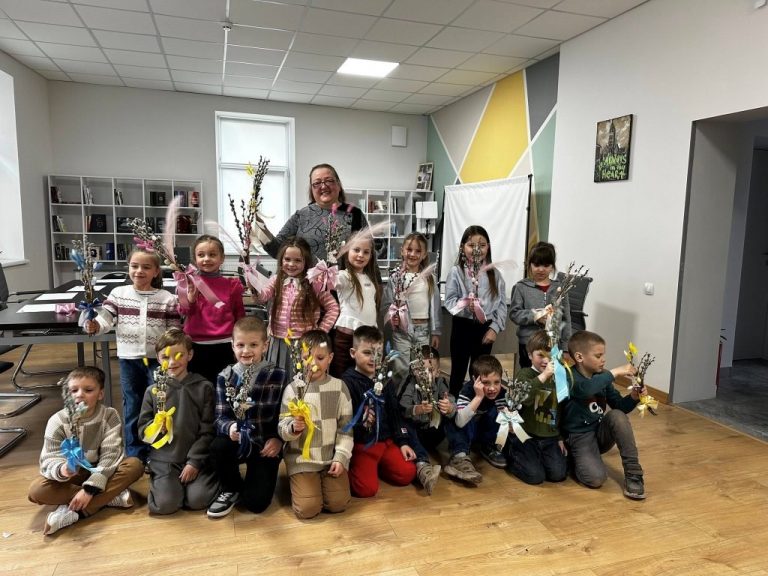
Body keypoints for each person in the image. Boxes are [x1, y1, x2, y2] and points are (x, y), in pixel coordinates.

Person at [85, 248, 181, 464]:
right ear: (128, 268)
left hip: (158, 362)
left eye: (146, 267)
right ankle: (135, 454)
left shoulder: (167, 298)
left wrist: (171, 357)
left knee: (159, 403)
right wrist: (95, 326)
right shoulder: (119, 294)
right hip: (129, 360)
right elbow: (105, 319)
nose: (139, 271)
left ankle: (159, 449)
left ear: (156, 272)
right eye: (134, 266)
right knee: (132, 404)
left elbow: (174, 331)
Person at [28, 367, 143, 535]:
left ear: (100, 394)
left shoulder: (109, 415)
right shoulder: (57, 421)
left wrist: (89, 490)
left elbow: (111, 455)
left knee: (135, 465)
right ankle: (108, 497)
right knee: (37, 491)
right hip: (72, 477)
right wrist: (63, 469)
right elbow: (48, 459)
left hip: (100, 472)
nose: (79, 395)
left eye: (88, 390)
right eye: (73, 390)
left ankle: (73, 511)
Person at [207, 316, 286, 518]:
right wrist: (230, 427)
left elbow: (284, 414)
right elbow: (219, 418)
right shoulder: (225, 377)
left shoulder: (279, 375)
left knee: (256, 504)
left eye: (253, 345)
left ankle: (256, 480)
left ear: (265, 346)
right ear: (232, 345)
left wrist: (279, 439)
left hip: (264, 444)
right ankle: (231, 487)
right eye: (240, 345)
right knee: (217, 446)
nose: (246, 351)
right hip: (237, 441)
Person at [138, 328, 219, 514]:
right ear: (158, 359)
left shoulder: (204, 387)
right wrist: (155, 427)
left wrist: (194, 462)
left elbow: (208, 430)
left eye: (179, 355)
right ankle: (163, 482)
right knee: (166, 505)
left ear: (190, 355)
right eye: (166, 357)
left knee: (198, 500)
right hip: (164, 460)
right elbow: (143, 431)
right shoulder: (152, 392)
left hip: (197, 458)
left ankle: (206, 481)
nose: (173, 362)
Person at [278, 330, 354, 519]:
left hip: (330, 459)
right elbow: (282, 426)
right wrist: (292, 428)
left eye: (320, 358)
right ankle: (303, 482)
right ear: (300, 359)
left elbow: (346, 428)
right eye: (307, 358)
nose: (313, 363)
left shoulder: (340, 387)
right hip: (303, 461)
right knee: (307, 509)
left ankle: (319, 484)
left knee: (339, 504)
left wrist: (341, 457)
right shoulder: (293, 389)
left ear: (330, 358)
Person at [561, 330, 646, 500]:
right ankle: (575, 460)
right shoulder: (567, 376)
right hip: (579, 437)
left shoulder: (602, 376)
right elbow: (585, 389)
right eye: (598, 356)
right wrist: (614, 373)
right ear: (579, 357)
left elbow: (619, 406)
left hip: (599, 432)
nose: (603, 359)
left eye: (603, 355)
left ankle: (633, 473)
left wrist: (634, 397)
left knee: (617, 416)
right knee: (596, 479)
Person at [342, 326, 417, 498]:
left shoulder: (386, 380)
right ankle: (360, 467)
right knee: (365, 489)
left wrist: (403, 442)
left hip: (386, 441)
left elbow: (394, 412)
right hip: (363, 444)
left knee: (407, 473)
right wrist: (362, 423)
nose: (373, 359)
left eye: (378, 353)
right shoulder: (347, 382)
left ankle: (378, 466)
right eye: (367, 353)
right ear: (353, 353)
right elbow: (345, 423)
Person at [251, 237, 339, 381]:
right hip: (277, 342)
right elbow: (262, 297)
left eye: (298, 260)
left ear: (306, 262)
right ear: (281, 260)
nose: (291, 264)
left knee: (300, 381)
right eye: (287, 259)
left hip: (304, 344)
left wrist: (320, 331)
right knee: (276, 382)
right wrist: (253, 285)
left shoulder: (314, 282)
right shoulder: (276, 280)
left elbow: (333, 307)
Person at [259, 163, 369, 263]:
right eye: (317, 183)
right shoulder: (301, 216)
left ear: (338, 185)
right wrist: (259, 227)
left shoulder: (355, 214)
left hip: (345, 279)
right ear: (312, 189)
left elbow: (369, 253)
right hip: (308, 279)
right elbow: (277, 250)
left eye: (329, 181)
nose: (323, 186)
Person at [445, 225, 507, 398]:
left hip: (485, 328)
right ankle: (455, 406)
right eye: (471, 245)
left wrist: (494, 328)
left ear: (488, 247)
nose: (477, 250)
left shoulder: (495, 274)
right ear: (462, 247)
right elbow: (449, 301)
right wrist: (465, 306)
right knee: (458, 371)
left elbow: (502, 305)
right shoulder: (456, 272)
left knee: (481, 373)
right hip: (462, 327)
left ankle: (479, 404)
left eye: (482, 245)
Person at [180, 234, 245, 385]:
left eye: (212, 254)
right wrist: (190, 300)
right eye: (201, 255)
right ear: (195, 259)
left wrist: (240, 343)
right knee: (198, 388)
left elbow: (239, 316)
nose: (207, 259)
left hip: (225, 345)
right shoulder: (188, 282)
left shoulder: (232, 285)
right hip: (196, 345)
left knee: (224, 388)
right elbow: (182, 312)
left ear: (222, 258)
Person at [504, 330, 567, 485]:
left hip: (549, 437)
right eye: (541, 355)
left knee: (558, 474)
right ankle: (511, 454)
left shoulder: (559, 378)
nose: (546, 360)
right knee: (535, 476)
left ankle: (538, 459)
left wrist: (559, 437)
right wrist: (544, 376)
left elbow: (561, 409)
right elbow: (522, 398)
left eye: (551, 356)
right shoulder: (524, 374)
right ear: (530, 355)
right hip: (525, 435)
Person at [398, 345, 459, 495]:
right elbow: (400, 408)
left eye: (430, 370)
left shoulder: (441, 382)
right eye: (421, 370)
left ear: (437, 372)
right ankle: (423, 466)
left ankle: (459, 457)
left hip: (434, 432)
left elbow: (450, 400)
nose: (425, 374)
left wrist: (449, 407)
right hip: (416, 433)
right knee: (406, 426)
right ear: (414, 370)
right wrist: (417, 409)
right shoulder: (409, 383)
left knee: (454, 418)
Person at [382, 232, 441, 382]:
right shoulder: (395, 277)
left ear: (424, 254)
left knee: (421, 368)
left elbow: (435, 306)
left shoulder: (429, 278)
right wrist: (392, 317)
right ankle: (400, 396)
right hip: (402, 330)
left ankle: (418, 395)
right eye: (409, 250)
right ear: (402, 250)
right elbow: (387, 304)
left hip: (423, 330)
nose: (413, 254)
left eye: (418, 251)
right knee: (400, 369)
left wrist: (435, 332)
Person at [443, 355, 508, 485]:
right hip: (465, 429)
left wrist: (508, 419)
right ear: (475, 380)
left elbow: (503, 421)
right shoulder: (467, 391)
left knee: (499, 412)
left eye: (497, 382)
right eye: (486, 383)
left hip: (481, 432)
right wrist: (478, 397)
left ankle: (488, 446)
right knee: (455, 415)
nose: (492, 388)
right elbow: (460, 422)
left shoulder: (501, 392)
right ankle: (459, 456)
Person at [509, 241, 571, 369]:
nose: (541, 269)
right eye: (536, 265)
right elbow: (514, 313)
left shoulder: (560, 288)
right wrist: (535, 316)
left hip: (553, 344)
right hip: (528, 344)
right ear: (529, 264)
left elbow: (566, 319)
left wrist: (565, 347)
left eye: (546, 265)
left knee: (552, 376)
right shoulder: (521, 287)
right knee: (528, 376)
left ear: (552, 266)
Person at [331, 232, 381, 377]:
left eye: (366, 252)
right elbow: (331, 281)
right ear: (347, 252)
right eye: (356, 250)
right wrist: (331, 263)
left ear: (371, 256)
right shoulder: (344, 276)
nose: (361, 255)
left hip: (367, 338)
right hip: (346, 338)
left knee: (364, 376)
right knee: (342, 375)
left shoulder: (370, 279)